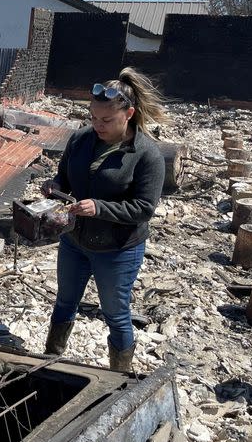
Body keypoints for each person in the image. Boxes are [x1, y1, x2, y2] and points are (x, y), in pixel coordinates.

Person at [41, 67, 166, 372]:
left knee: (116, 313)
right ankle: (48, 361)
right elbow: (65, 177)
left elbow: (144, 209)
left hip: (118, 249)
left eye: (106, 120)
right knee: (64, 301)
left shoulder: (147, 154)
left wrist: (100, 208)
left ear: (129, 114)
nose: (97, 125)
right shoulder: (82, 139)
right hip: (75, 241)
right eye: (93, 117)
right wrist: (56, 187)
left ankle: (119, 377)